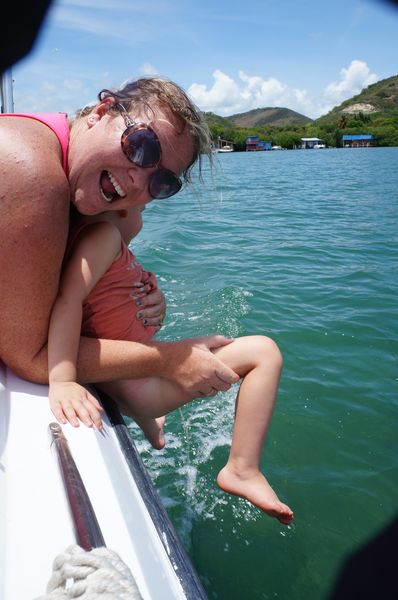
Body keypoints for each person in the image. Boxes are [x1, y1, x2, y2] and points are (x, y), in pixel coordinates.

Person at [48, 195, 294, 524]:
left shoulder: (89, 241)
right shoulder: (105, 236)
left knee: (163, 356)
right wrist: (61, 380)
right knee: (264, 352)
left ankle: (151, 426)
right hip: (138, 385)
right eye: (143, 210)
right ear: (124, 208)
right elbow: (70, 299)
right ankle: (242, 469)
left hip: (117, 379)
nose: (142, 220)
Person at [0, 77, 240, 398]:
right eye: (142, 146)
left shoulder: (78, 188)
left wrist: (139, 299)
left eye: (162, 182)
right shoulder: (31, 172)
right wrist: (169, 359)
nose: (139, 180)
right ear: (102, 111)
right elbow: (32, 356)